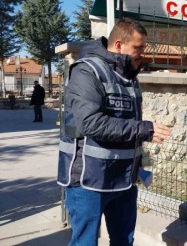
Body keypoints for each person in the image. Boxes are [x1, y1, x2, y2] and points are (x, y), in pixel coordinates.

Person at [57, 19, 171, 246]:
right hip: (89, 180)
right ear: (118, 45)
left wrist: (139, 167)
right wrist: (144, 129)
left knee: (123, 241)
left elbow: (126, 129)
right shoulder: (86, 71)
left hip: (124, 180)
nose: (143, 54)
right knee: (85, 243)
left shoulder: (129, 77)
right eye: (138, 48)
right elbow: (91, 123)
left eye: (144, 48)